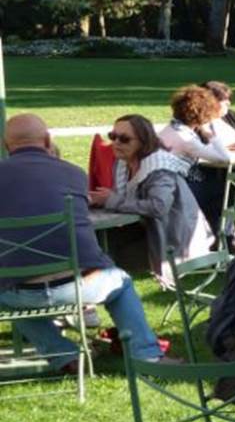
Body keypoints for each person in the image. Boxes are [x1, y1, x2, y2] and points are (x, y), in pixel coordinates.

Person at [0, 114, 172, 369]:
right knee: (121, 283)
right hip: (80, 285)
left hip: (16, 292)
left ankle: (65, 357)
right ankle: (145, 354)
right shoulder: (73, 174)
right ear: (48, 140)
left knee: (11, 294)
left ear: (5, 145)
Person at [91, 114, 215, 283]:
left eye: (124, 139)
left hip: (173, 238)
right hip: (149, 229)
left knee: (105, 250)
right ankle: (95, 289)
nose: (116, 143)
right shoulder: (124, 163)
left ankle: (101, 290)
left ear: (143, 141)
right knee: (94, 239)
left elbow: (158, 207)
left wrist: (112, 200)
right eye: (112, 137)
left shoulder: (159, 170)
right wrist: (98, 199)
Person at [158, 84, 231, 227]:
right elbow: (225, 158)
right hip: (175, 192)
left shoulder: (172, 128)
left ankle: (210, 231)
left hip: (165, 186)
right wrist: (211, 135)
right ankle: (223, 235)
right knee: (222, 188)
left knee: (212, 182)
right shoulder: (187, 139)